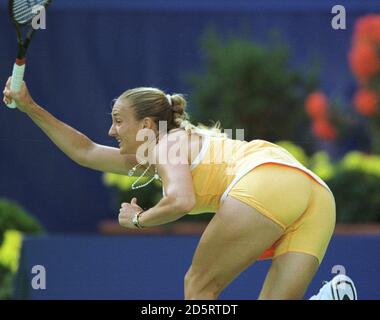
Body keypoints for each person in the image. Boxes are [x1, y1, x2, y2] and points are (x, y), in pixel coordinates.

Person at [2, 79, 357, 300]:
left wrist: (140, 220)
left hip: (266, 180)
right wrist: (29, 106)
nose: (111, 131)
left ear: (146, 124)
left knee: (198, 287)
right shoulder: (171, 146)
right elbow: (86, 151)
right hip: (315, 194)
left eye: (118, 121)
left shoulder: (164, 144)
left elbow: (181, 200)